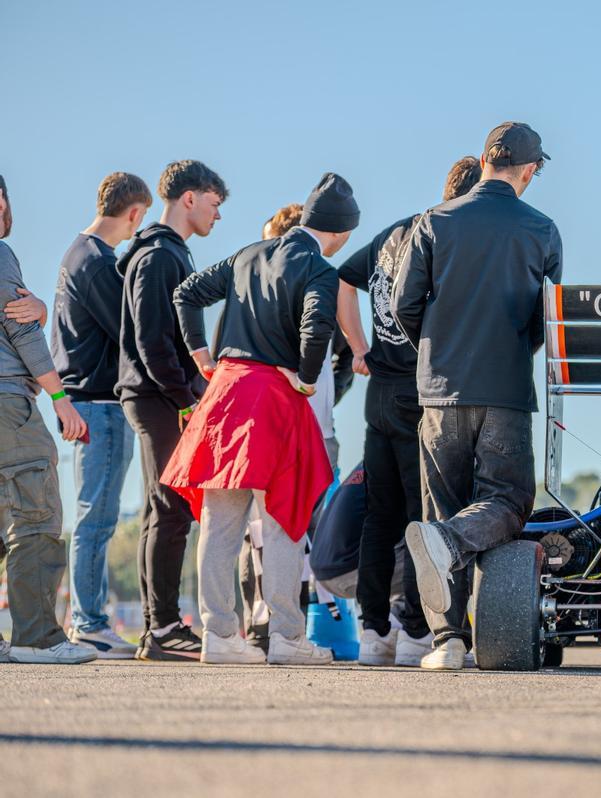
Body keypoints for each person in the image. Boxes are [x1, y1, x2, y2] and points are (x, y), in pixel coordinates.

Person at [162, 172, 358, 666]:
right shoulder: (319, 266)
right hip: (273, 394)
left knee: (219, 522)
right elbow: (317, 325)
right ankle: (289, 639)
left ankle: (219, 635)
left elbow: (186, 293)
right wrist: (309, 379)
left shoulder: (249, 253)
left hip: (225, 390)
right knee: (282, 523)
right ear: (340, 232)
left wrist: (200, 354)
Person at [396, 123, 562, 670]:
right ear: (529, 170)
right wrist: (516, 348)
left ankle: (448, 643)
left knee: (438, 507)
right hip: (505, 390)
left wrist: (439, 347)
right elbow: (549, 321)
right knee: (509, 503)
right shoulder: (541, 229)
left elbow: (404, 306)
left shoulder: (433, 222)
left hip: (439, 391)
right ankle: (449, 541)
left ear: (487, 162)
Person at [336, 155, 481, 667]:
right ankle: (421, 629)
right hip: (423, 390)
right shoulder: (446, 237)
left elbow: (342, 279)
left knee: (381, 516)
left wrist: (359, 348)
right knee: (426, 515)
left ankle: (374, 631)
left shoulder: (393, 233)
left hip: (379, 391)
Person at [116, 160, 226, 661]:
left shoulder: (166, 253)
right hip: (159, 397)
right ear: (189, 198)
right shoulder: (160, 256)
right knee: (172, 506)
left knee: (162, 508)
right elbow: (152, 340)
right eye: (214, 203)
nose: (217, 216)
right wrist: (185, 399)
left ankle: (157, 628)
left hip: (157, 395)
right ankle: (162, 629)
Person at [44, 172, 152, 658]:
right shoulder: (95, 261)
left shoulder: (77, 255)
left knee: (95, 516)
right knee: (97, 518)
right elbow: (127, 330)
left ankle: (87, 620)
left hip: (85, 401)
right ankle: (89, 623)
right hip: (100, 405)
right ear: (134, 213)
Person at [0, 174, 95, 665]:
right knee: (34, 514)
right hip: (7, 405)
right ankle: (37, 638)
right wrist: (59, 397)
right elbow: (21, 330)